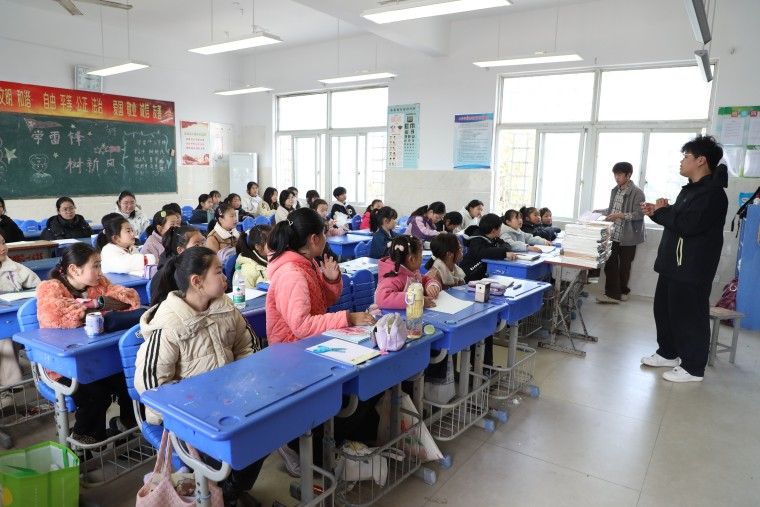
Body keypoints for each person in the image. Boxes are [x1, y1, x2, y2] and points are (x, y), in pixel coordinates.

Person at [135, 247, 264, 506]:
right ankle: (223, 491)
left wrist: (244, 384)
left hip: (229, 403)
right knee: (236, 448)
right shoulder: (169, 323)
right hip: (187, 418)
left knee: (265, 433)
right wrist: (188, 410)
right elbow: (150, 384)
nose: (225, 277)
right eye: (219, 272)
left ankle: (226, 492)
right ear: (197, 281)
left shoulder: (224, 306)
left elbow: (248, 345)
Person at [640, 135, 728, 383]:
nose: (681, 161)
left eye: (686, 156)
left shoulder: (712, 194)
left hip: (692, 267)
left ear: (701, 160)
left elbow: (689, 225)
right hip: (673, 265)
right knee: (665, 311)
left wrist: (662, 212)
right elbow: (678, 219)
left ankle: (693, 367)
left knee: (689, 316)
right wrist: (657, 212)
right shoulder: (691, 190)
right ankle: (668, 353)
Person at [37, 243, 140, 443]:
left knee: (133, 378)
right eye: (95, 266)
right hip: (64, 366)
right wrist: (101, 305)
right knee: (96, 394)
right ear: (74, 269)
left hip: (99, 357)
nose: (100, 271)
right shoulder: (50, 288)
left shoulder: (99, 283)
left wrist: (95, 304)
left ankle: (126, 426)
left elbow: (129, 299)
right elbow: (57, 315)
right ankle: (85, 443)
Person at [266, 207, 375, 345]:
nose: (326, 238)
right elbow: (302, 326)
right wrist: (349, 318)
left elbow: (321, 302)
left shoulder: (308, 263)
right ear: (314, 239)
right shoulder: (291, 274)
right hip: (289, 348)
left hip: (306, 342)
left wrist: (331, 281)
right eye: (324, 233)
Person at [593, 162, 647, 304]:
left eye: (619, 175)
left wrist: (620, 215)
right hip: (613, 234)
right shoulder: (615, 190)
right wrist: (599, 212)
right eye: (615, 175)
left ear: (628, 175)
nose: (616, 178)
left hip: (629, 236)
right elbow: (611, 210)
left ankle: (622, 291)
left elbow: (639, 214)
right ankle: (612, 294)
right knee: (610, 264)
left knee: (624, 266)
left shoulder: (638, 193)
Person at [0, 232, 40, 402]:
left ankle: (13, 380)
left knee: (9, 334)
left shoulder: (13, 267)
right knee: (4, 338)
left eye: (3, 243)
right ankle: (10, 385)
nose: (2, 248)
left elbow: (38, 285)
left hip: (9, 317)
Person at [375, 235, 440, 309]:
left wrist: (431, 285)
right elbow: (381, 298)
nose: (422, 258)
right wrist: (417, 300)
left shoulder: (413, 271)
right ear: (412, 259)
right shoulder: (392, 277)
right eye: (421, 255)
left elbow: (423, 279)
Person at [460, 213, 518, 282]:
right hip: (470, 275)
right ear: (493, 230)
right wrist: (503, 253)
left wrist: (505, 250)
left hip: (483, 274)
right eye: (500, 227)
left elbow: (506, 245)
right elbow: (482, 252)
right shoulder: (476, 239)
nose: (500, 230)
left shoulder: (493, 237)